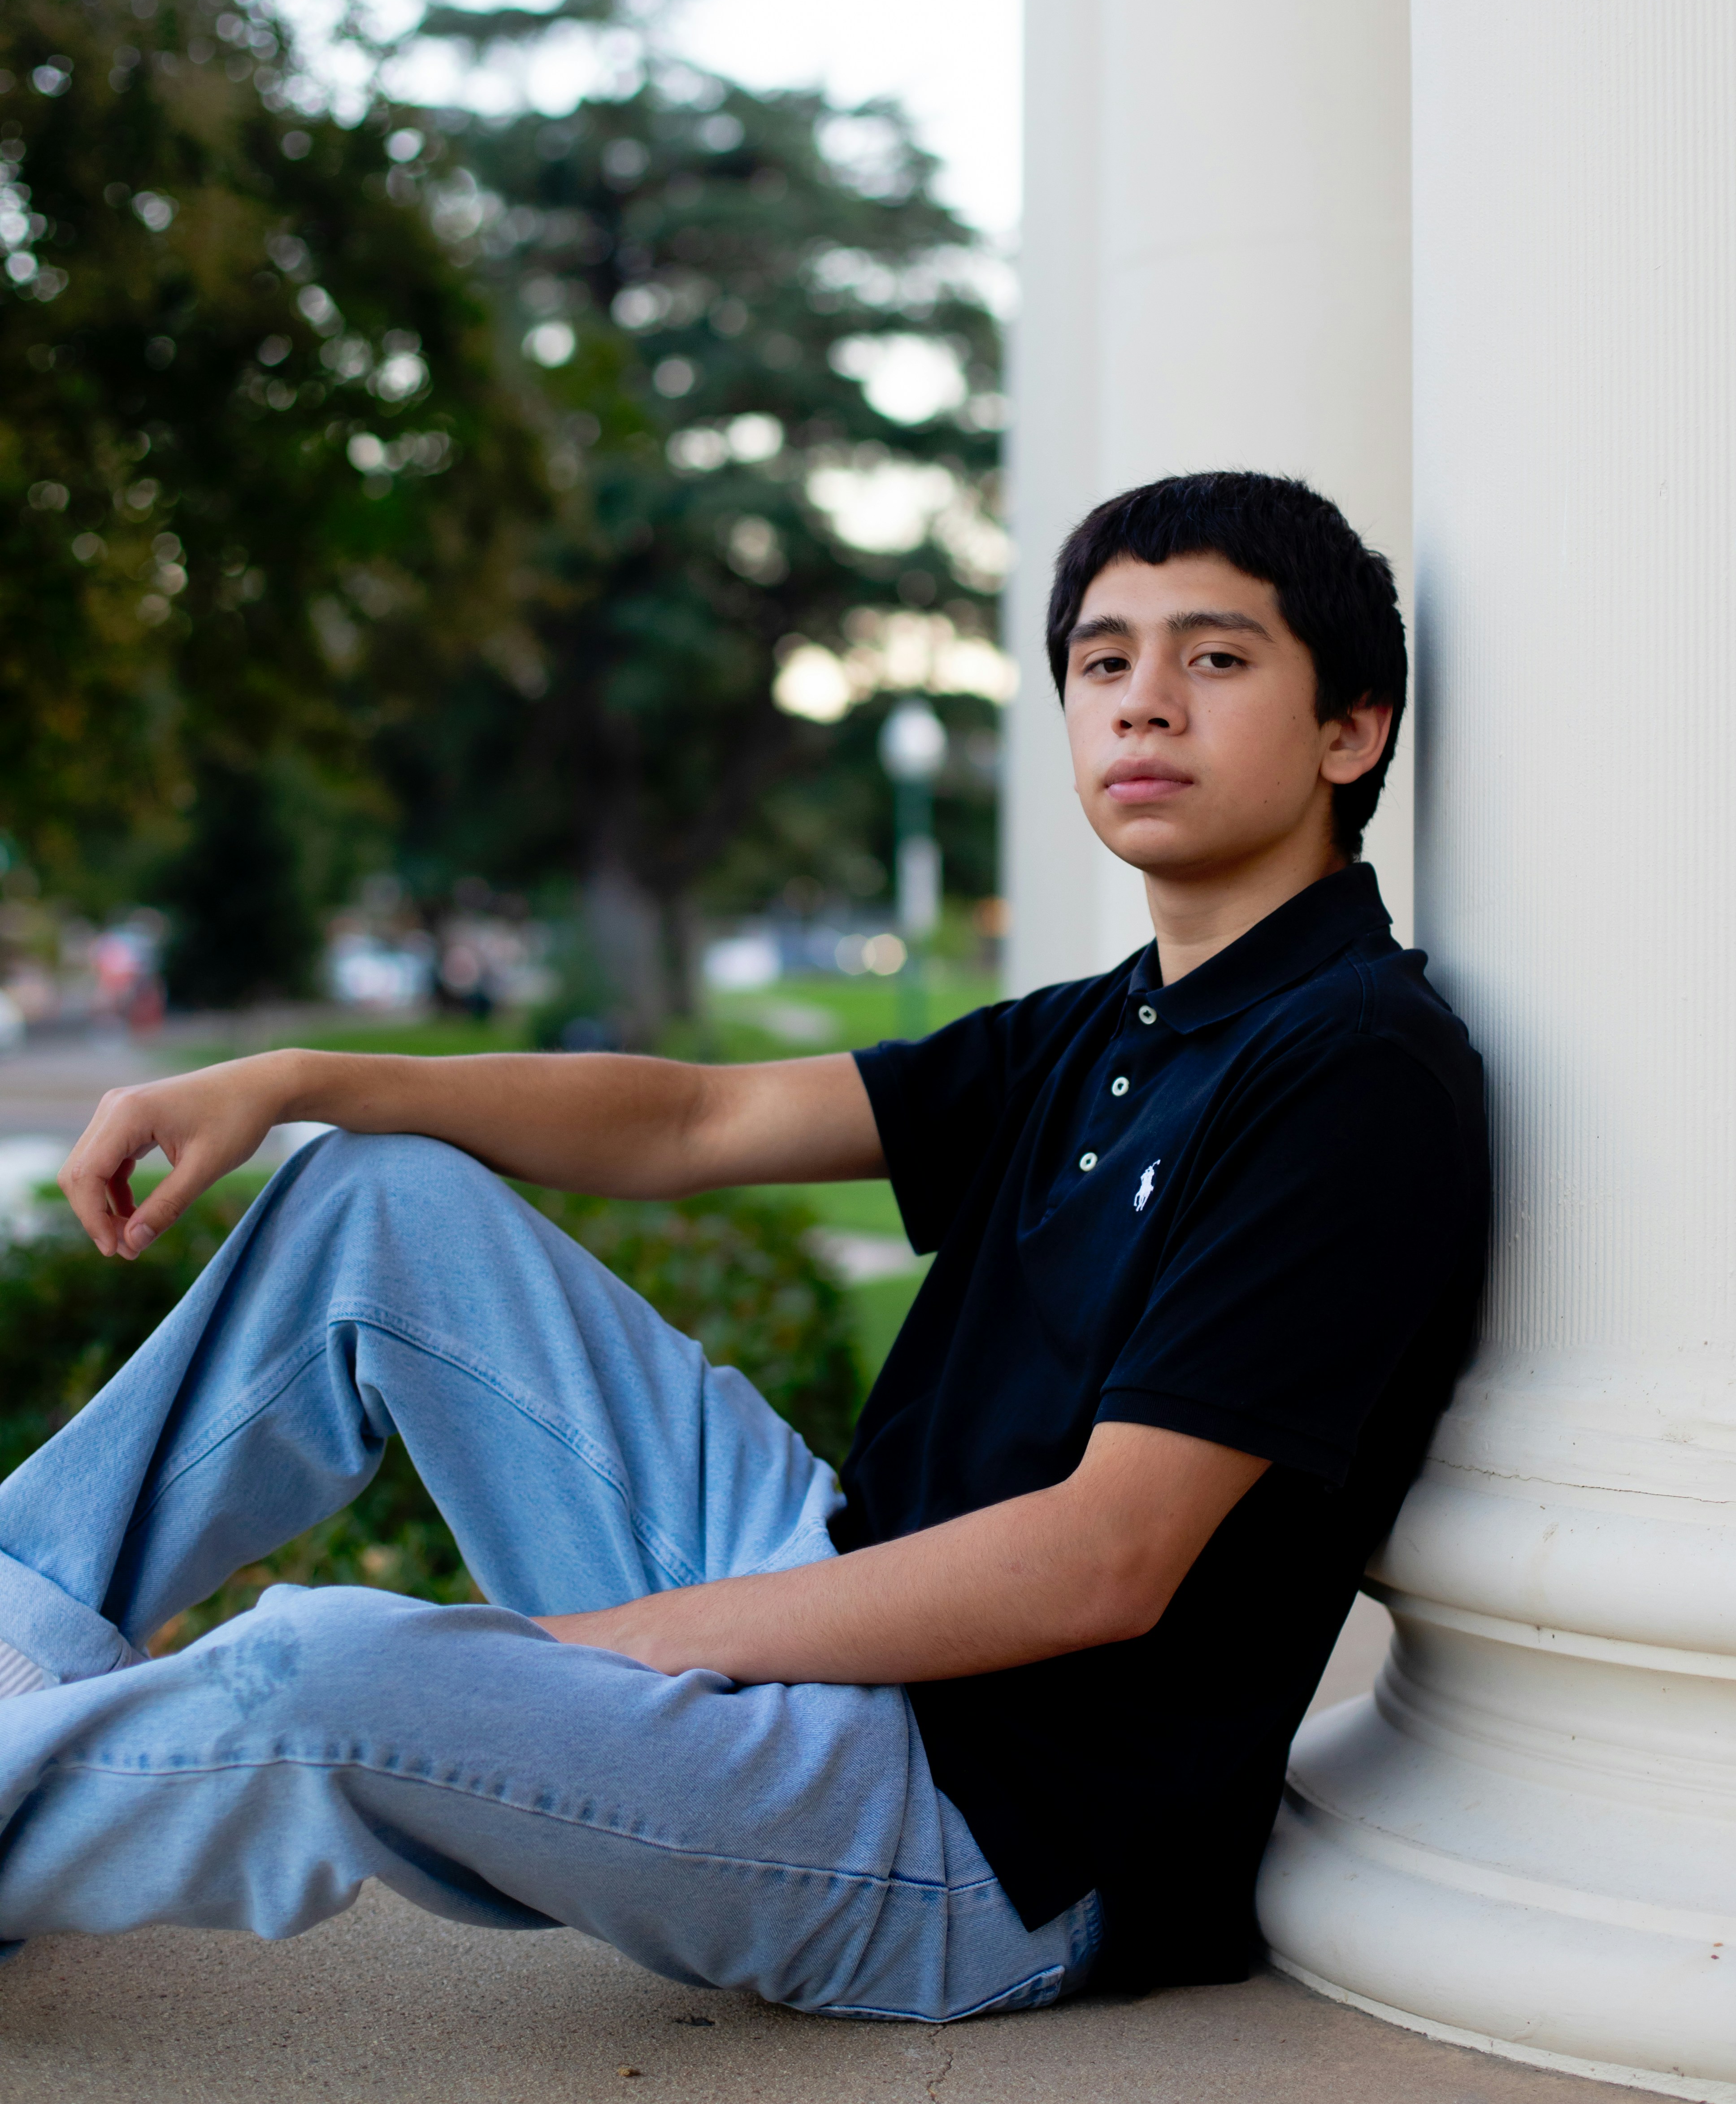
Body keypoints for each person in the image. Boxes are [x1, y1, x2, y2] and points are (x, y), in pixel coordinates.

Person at [4, 470, 1486, 2017]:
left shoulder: (1350, 1066)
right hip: (844, 1594)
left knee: (331, 1671)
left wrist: (624, 1648)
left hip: (980, 1837)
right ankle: (10, 1647)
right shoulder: (1111, 1027)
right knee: (382, 1203)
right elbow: (694, 1124)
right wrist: (299, 1078)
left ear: (1351, 729)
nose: (1145, 706)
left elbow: (1103, 1563)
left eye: (1218, 657)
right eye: (1105, 662)